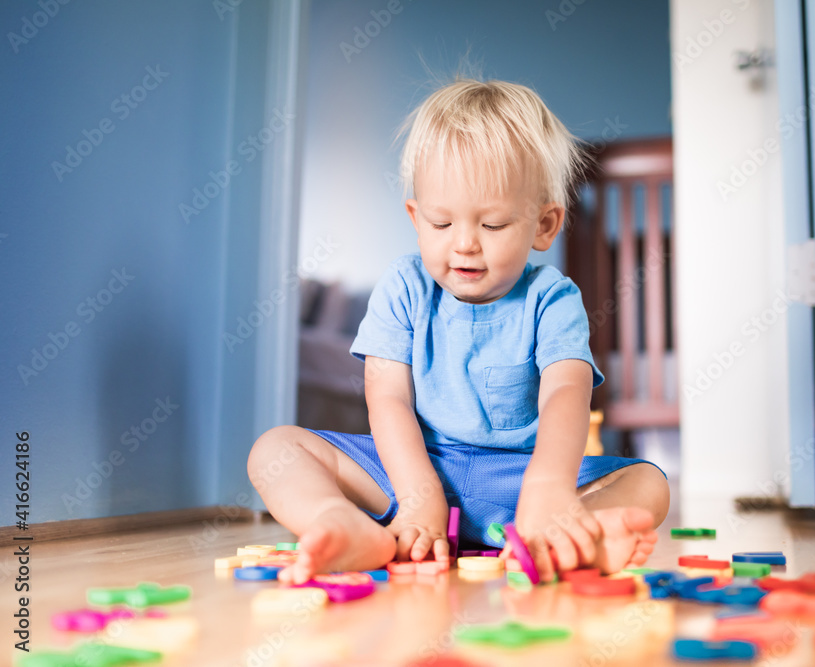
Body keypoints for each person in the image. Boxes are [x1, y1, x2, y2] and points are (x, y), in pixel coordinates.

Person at [248, 77, 671, 584]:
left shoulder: (553, 298)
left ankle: (570, 537)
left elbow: (567, 393)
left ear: (544, 225)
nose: (464, 244)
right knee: (275, 449)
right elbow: (388, 399)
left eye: (492, 225)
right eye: (441, 223)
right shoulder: (404, 287)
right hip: (410, 473)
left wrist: (548, 488)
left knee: (648, 481)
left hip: (520, 483)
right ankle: (339, 523)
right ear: (416, 217)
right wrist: (418, 494)